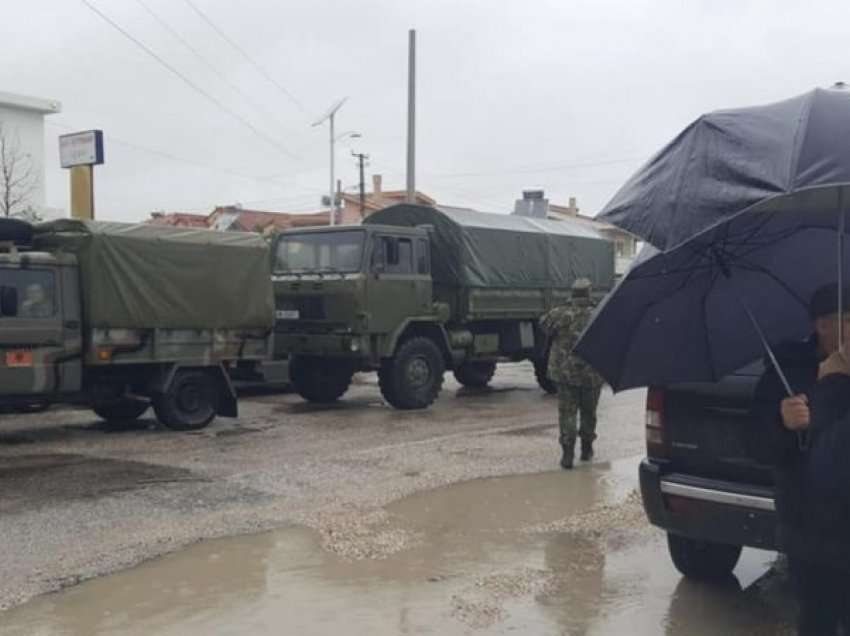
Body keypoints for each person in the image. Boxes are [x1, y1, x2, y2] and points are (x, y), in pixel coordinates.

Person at [752, 283, 850, 635]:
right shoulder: (787, 371)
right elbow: (760, 448)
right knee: (818, 622)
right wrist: (782, 423)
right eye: (849, 319)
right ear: (822, 325)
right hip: (813, 535)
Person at [540, 278, 604, 469]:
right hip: (592, 374)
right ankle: (586, 449)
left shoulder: (560, 314)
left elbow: (543, 325)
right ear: (589, 294)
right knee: (589, 413)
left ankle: (567, 454)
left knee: (567, 413)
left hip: (565, 374)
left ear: (572, 294)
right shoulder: (598, 314)